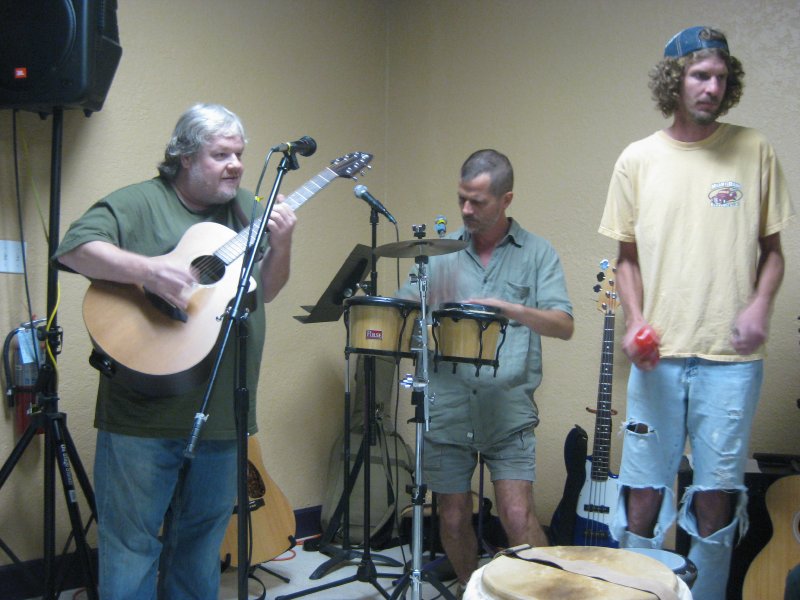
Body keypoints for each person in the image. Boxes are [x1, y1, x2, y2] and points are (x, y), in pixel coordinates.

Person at [55, 103, 297, 598]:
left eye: (239, 154)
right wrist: (148, 271)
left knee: (201, 544)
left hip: (223, 414)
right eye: (221, 155)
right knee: (132, 545)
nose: (235, 165)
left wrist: (284, 243)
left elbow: (266, 291)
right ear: (185, 157)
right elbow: (74, 249)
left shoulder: (248, 209)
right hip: (142, 413)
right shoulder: (139, 202)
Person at [599, 27, 794, 599]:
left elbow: (774, 253)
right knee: (642, 493)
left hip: (731, 363)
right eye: (700, 75)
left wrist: (759, 306)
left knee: (716, 497)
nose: (712, 87)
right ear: (674, 81)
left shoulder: (754, 149)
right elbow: (626, 260)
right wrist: (635, 319)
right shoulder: (637, 159)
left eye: (721, 78)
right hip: (658, 360)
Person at [399, 149, 574, 593]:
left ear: (506, 199)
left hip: (508, 410)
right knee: (453, 516)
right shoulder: (438, 255)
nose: (465, 209)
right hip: (448, 406)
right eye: (461, 198)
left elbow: (564, 325)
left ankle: (539, 594)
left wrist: (513, 309)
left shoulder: (537, 253)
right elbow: (402, 313)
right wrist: (417, 306)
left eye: (477, 201)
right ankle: (470, 588)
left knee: (517, 516)